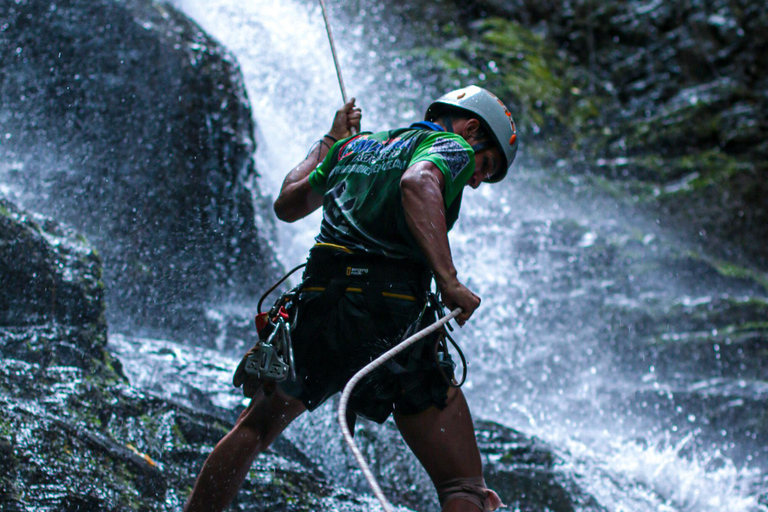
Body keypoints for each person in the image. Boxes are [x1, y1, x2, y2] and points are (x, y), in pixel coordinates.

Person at [184, 85, 518, 512]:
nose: (474, 179)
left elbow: (288, 203)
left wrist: (330, 140)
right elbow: (417, 182)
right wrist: (449, 281)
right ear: (470, 129)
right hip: (390, 313)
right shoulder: (452, 147)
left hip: (320, 305)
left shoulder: (354, 147)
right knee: (463, 486)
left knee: (253, 429)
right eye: (484, 166)